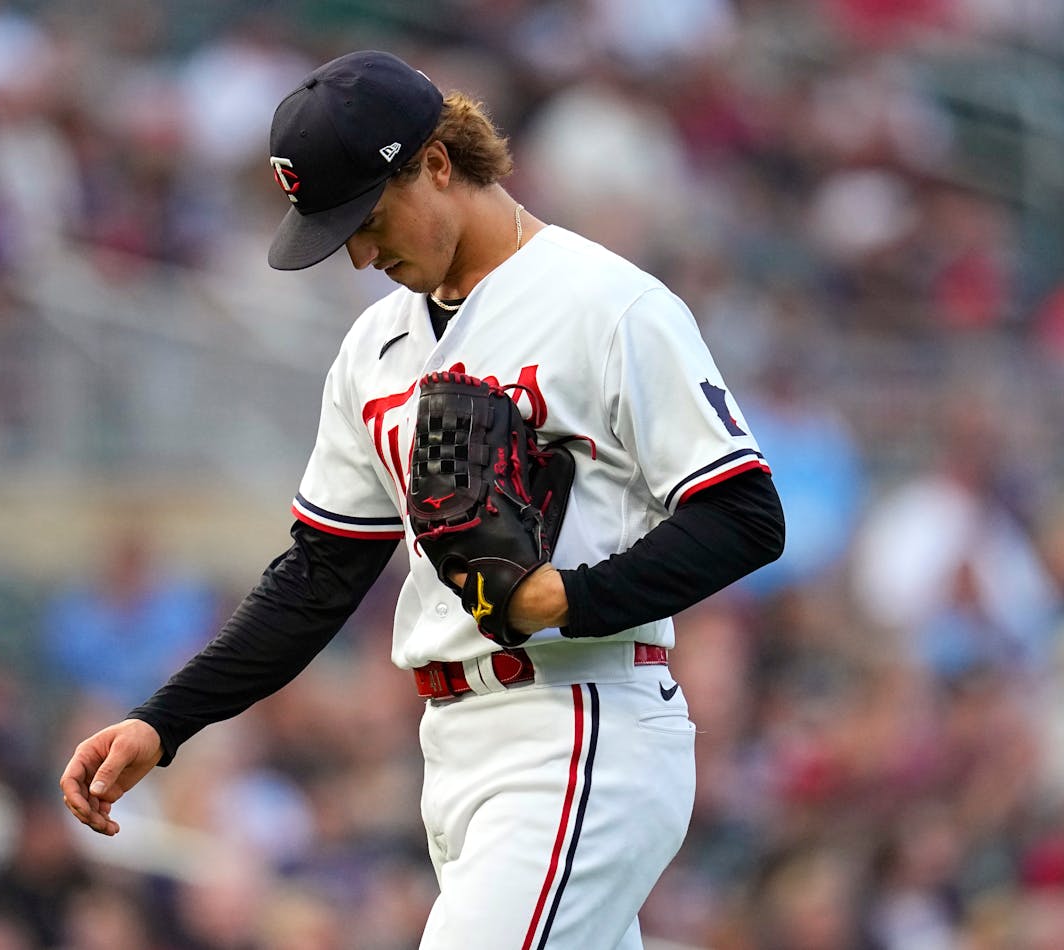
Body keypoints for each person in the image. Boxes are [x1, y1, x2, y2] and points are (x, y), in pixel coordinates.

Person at [61, 50, 786, 949]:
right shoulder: (375, 349)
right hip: (453, 752)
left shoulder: (608, 306)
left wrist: (564, 598)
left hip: (578, 728)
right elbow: (320, 575)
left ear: (437, 162)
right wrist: (164, 721)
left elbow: (747, 517)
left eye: (366, 217)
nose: (361, 254)